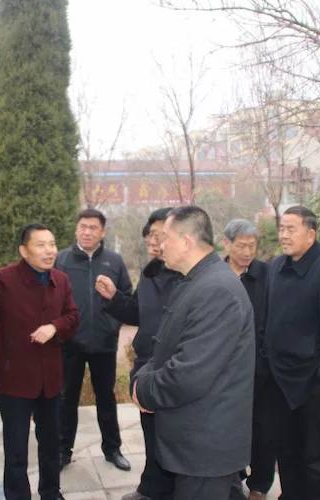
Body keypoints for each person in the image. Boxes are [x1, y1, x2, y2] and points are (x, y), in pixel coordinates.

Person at [133, 206, 255, 500]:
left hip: (205, 449)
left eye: (165, 237)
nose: (160, 245)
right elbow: (165, 347)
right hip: (193, 445)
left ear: (187, 241)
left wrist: (143, 389)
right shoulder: (196, 280)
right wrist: (144, 375)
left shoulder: (217, 290)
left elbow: (188, 375)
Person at [0, 223, 79, 500]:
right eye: (41, 245)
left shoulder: (61, 280)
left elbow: (72, 317)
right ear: (24, 250)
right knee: (16, 448)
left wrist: (54, 327)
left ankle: (51, 492)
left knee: (51, 444)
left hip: (50, 379)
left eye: (52, 244)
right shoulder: (4, 279)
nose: (49, 251)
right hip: (15, 380)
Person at [265, 206, 320, 500]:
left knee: (318, 461)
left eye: (291, 229)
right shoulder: (275, 267)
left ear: (311, 234)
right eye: (281, 229)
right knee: (287, 455)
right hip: (280, 382)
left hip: (314, 387)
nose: (284, 235)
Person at [95, 207, 181, 500]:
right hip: (148, 365)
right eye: (150, 237)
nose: (154, 242)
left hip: (174, 367)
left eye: (160, 235)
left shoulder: (189, 276)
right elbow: (136, 312)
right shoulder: (150, 272)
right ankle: (153, 486)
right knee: (152, 432)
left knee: (173, 438)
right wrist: (113, 298)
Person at [56, 208, 133, 471]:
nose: (87, 232)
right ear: (76, 229)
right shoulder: (62, 260)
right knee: (66, 398)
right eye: (83, 227)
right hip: (70, 344)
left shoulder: (114, 261)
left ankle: (112, 449)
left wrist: (111, 326)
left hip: (104, 343)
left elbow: (126, 297)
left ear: (102, 232)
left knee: (106, 398)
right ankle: (62, 450)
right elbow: (49, 298)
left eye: (93, 228)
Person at [223, 219, 273, 500]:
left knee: (263, 429)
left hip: (258, 369)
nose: (247, 252)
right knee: (227, 425)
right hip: (223, 369)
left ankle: (259, 485)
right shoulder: (215, 273)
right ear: (226, 244)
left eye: (252, 246)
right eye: (241, 246)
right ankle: (232, 477)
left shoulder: (266, 275)